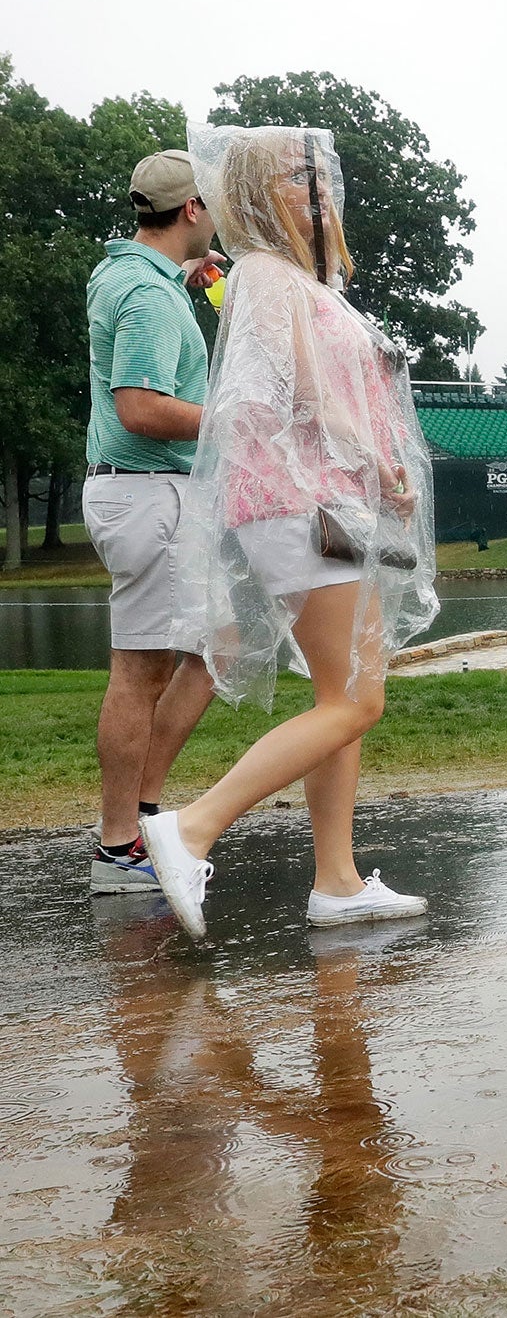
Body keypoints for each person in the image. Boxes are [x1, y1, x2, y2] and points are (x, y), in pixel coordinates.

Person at [140, 125, 440, 940]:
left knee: (343, 693)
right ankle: (191, 827)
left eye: (317, 178)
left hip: (326, 505)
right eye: (299, 179)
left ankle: (337, 880)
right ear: (259, 190)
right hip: (300, 501)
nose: (318, 193)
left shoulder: (298, 280)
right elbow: (303, 387)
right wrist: (378, 461)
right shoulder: (267, 275)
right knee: (354, 701)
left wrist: (377, 469)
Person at [82, 152, 227, 893]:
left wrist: (188, 281)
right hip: (148, 494)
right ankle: (119, 848)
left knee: (216, 649)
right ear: (192, 210)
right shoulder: (144, 293)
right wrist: (236, 421)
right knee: (140, 673)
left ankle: (142, 819)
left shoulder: (143, 278)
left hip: (157, 496)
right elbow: (140, 407)